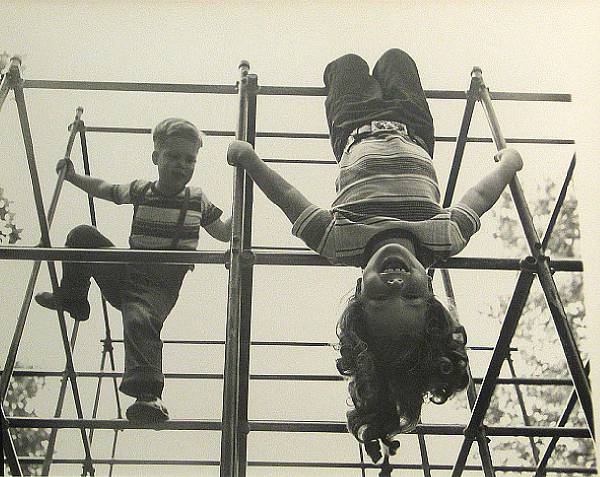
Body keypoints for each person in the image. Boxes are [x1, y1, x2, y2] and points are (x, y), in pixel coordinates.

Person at [226, 49, 523, 459]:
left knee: (344, 66)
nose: (396, 284)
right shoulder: (443, 237)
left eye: (381, 297)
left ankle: (347, 69)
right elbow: (480, 197)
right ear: (431, 295)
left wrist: (252, 161)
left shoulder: (339, 242)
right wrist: (508, 165)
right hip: (415, 129)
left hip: (352, 128)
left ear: (359, 291)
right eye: (412, 297)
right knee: (398, 61)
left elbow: (289, 199)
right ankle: (391, 66)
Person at [35, 118, 232, 423]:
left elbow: (222, 232)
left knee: (139, 318)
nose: (182, 165)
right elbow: (106, 189)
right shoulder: (142, 190)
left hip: (159, 286)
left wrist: (244, 205)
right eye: (173, 157)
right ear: (156, 157)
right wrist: (73, 177)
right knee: (81, 236)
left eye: (189, 159)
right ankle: (74, 297)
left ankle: (149, 396)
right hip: (128, 270)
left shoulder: (196, 200)